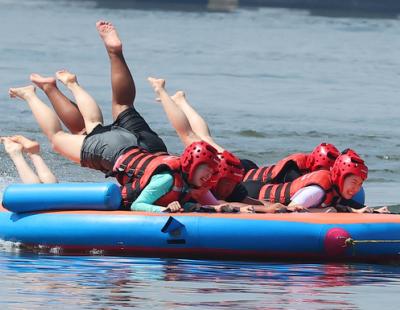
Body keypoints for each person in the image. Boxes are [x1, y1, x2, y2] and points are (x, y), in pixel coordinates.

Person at [147, 77, 302, 213]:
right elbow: (223, 203)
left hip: (227, 165)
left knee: (204, 137)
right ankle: (164, 92)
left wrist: (281, 207)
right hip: (218, 162)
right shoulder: (209, 177)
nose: (229, 189)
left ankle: (180, 100)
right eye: (227, 184)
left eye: (231, 185)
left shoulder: (233, 185)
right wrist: (263, 209)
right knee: (189, 135)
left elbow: (249, 202)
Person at [254, 150, 389, 213]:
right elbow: (291, 210)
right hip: (255, 193)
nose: (356, 188)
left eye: (360, 184)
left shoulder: (336, 190)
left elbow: (347, 205)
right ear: (341, 177)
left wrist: (375, 211)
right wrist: (324, 211)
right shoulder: (317, 191)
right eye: (354, 182)